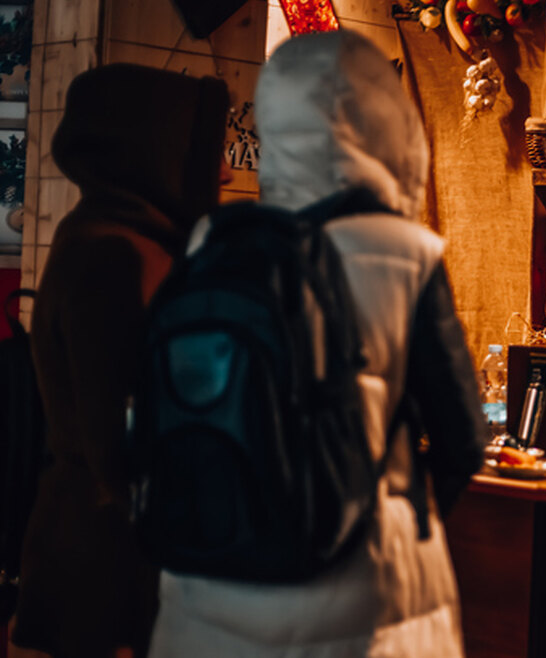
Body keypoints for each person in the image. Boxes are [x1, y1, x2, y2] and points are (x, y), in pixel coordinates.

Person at [147, 30, 488, 657]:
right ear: (392, 126)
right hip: (359, 601)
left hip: (206, 579)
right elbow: (463, 440)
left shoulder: (212, 243)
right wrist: (396, 517)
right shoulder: (405, 253)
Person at [12, 65, 229, 656]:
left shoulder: (115, 240)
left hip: (105, 551)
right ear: (155, 152)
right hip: (109, 570)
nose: (227, 171)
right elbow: (124, 437)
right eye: (206, 154)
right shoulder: (115, 254)